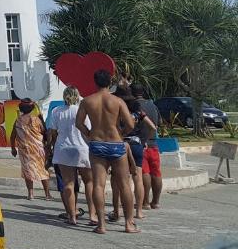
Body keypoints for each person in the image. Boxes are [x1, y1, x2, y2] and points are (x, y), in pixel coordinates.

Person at [76, 69, 139, 234]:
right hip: (116, 143)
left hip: (97, 143)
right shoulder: (117, 101)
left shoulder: (87, 101)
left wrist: (89, 134)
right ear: (110, 82)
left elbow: (79, 123)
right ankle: (128, 224)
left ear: (95, 82)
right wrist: (122, 134)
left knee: (98, 184)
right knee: (124, 184)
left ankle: (101, 225)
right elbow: (131, 124)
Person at [47, 86, 94, 225]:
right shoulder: (81, 110)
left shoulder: (56, 111)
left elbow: (53, 132)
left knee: (68, 183)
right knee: (89, 182)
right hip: (82, 148)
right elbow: (88, 130)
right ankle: (92, 215)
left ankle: (72, 216)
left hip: (63, 148)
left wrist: (51, 146)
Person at [10, 98, 51, 200]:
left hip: (25, 150)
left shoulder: (18, 120)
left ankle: (31, 194)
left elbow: (12, 136)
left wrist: (13, 149)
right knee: (42, 170)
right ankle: (47, 194)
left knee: (27, 171)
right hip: (38, 150)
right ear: (32, 108)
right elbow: (43, 132)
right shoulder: (37, 120)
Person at [131, 84, 163, 209]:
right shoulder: (153, 105)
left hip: (141, 143)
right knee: (156, 172)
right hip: (154, 144)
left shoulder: (134, 106)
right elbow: (159, 123)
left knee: (144, 172)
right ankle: (156, 202)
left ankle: (145, 202)